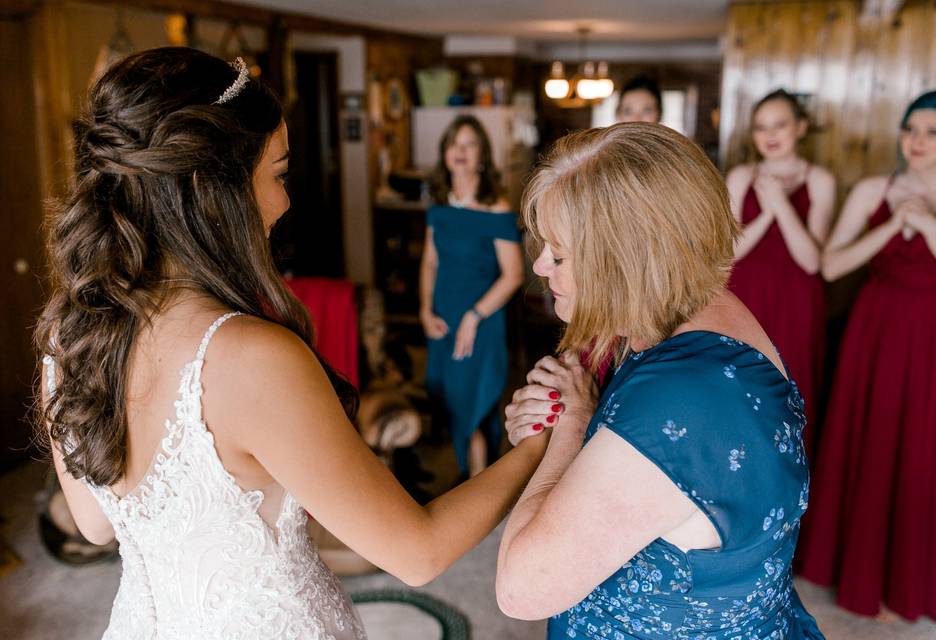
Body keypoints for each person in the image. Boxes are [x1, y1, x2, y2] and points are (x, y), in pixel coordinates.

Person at [36, 48, 548, 640]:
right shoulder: (247, 358)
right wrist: (536, 447)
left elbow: (96, 524)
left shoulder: (67, 339)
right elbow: (418, 551)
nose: (285, 201)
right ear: (215, 189)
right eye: (278, 174)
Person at [495, 123, 824, 639]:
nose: (539, 265)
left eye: (558, 254)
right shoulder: (699, 310)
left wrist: (569, 429)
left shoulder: (687, 398)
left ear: (625, 263)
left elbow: (521, 589)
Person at [795, 88, 936, 624]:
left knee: (929, 451)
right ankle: (859, 574)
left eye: (931, 132)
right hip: (878, 330)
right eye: (910, 129)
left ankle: (914, 582)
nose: (917, 141)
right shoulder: (874, 188)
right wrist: (893, 224)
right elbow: (830, 264)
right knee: (875, 440)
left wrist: (931, 224)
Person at [725, 89, 836, 456]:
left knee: (794, 390)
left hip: (798, 301)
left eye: (780, 125)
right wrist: (769, 213)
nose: (770, 135)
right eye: (760, 127)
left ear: (800, 127)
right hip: (747, 297)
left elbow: (811, 261)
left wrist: (781, 205)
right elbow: (729, 251)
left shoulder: (820, 180)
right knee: (742, 390)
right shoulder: (741, 176)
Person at [420, 115, 525, 478]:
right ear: (445, 154)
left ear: (482, 155)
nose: (460, 151)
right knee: (450, 399)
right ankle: (473, 478)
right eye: (453, 144)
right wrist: (423, 309)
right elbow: (430, 263)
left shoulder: (497, 207)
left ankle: (476, 485)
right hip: (443, 315)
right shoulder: (438, 206)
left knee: (475, 401)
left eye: (469, 144)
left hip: (482, 317)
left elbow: (513, 276)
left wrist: (473, 316)